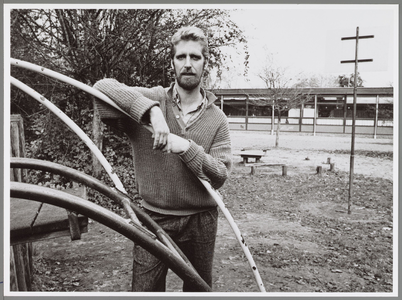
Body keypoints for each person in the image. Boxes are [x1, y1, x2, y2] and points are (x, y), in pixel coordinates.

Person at [93, 26, 232, 292]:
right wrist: (152, 112)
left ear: (205, 63)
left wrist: (185, 148)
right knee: (145, 290)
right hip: (153, 217)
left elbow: (219, 174)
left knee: (198, 290)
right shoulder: (153, 98)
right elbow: (102, 89)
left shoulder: (218, 119)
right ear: (172, 63)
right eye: (181, 57)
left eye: (195, 57)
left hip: (201, 220)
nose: (188, 64)